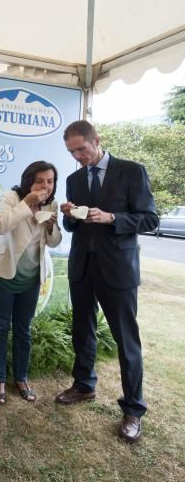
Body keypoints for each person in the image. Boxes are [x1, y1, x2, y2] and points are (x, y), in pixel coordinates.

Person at [57, 120, 158, 442]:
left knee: (126, 340)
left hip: (118, 269)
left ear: (96, 141)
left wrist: (113, 218)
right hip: (82, 267)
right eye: (71, 152)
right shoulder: (74, 179)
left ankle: (133, 409)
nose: (77, 156)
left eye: (81, 149)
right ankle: (84, 385)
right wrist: (68, 215)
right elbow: (73, 227)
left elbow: (151, 219)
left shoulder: (131, 171)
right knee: (82, 330)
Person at [0, 161, 62, 404]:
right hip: (2, 274)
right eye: (39, 181)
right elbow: (1, 225)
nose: (45, 186)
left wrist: (50, 225)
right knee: (0, 327)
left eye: (50, 181)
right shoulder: (11, 197)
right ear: (29, 180)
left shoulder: (52, 204)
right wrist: (27, 203)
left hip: (30, 278)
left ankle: (22, 378)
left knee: (23, 330)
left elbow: (54, 242)